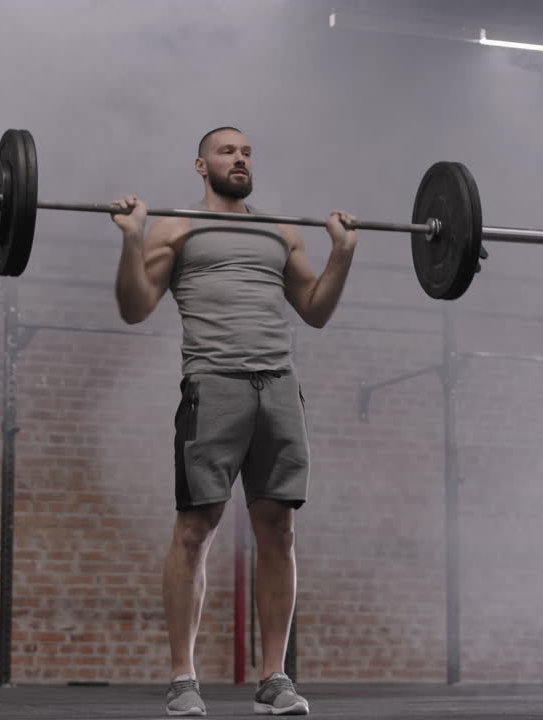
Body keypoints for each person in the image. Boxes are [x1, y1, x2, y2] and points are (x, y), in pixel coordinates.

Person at [110, 126, 358, 717]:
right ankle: (183, 679)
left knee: (279, 532)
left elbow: (316, 311)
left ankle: (274, 678)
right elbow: (134, 308)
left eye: (247, 152)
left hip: (279, 389)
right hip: (214, 387)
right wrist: (131, 238)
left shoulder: (280, 230)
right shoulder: (174, 225)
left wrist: (342, 255)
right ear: (202, 165)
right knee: (195, 531)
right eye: (227, 151)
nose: (240, 159)